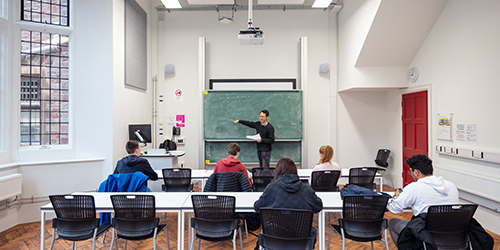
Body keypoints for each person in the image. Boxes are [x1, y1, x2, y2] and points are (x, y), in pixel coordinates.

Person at [386, 154, 459, 245]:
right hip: (455, 233)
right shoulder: (451, 185)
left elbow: (395, 208)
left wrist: (396, 197)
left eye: (410, 171)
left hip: (427, 235)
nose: (411, 174)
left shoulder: (415, 187)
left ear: (416, 172)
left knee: (393, 222)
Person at [254, 158, 323, 248]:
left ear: (278, 172)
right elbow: (318, 207)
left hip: (275, 238)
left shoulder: (271, 188)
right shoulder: (307, 189)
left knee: (265, 232)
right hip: (301, 240)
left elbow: (257, 207)